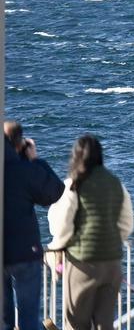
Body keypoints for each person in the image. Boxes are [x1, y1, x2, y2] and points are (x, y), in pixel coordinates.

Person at [47, 134, 134, 330]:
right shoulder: (116, 183)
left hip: (82, 264)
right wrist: (108, 241)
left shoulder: (74, 184)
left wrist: (56, 248)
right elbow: (127, 224)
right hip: (112, 263)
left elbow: (62, 225)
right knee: (105, 324)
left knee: (76, 323)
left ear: (76, 156)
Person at [4, 121, 65, 330]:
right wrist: (35, 160)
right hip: (25, 253)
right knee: (29, 319)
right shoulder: (24, 170)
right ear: (20, 144)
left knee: (3, 320)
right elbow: (54, 191)